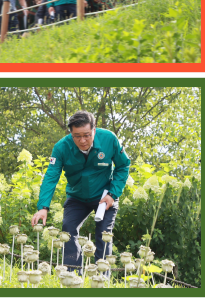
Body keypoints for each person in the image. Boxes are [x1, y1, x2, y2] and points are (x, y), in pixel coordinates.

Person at [31, 111, 131, 271]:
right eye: (77, 136)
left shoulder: (109, 139)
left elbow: (123, 165)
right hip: (77, 196)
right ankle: (71, 275)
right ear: (70, 133)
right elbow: (51, 176)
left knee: (104, 233)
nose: (83, 140)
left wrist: (113, 194)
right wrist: (43, 207)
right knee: (68, 230)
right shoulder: (61, 148)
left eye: (87, 135)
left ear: (94, 130)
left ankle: (101, 278)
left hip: (104, 196)